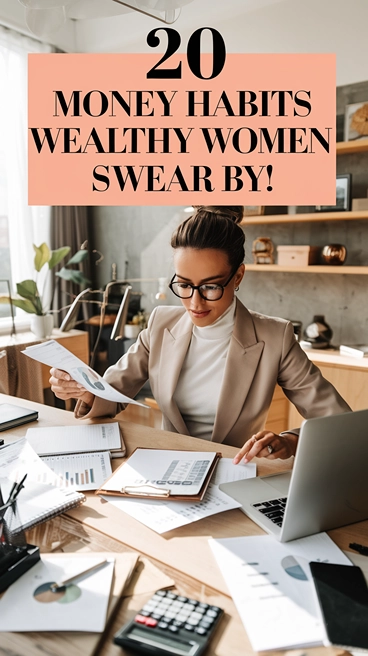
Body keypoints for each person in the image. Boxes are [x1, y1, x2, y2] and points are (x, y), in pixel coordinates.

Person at [50, 205, 350, 464]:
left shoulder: (275, 337)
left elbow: (338, 422)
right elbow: (112, 394)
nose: (194, 303)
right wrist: (84, 390)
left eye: (210, 286)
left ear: (239, 276)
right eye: (183, 285)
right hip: (168, 469)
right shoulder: (160, 324)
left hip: (233, 474)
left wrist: (290, 440)